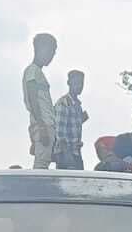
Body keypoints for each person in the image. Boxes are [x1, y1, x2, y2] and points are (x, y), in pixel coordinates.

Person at [23, 33, 58, 169]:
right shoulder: (32, 71)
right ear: (41, 48)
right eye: (51, 51)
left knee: (45, 160)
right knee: (41, 163)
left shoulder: (38, 72)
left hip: (47, 124)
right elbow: (33, 99)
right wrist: (42, 126)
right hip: (43, 124)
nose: (51, 57)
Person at [53, 70, 89, 171]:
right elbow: (60, 133)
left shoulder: (78, 105)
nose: (79, 86)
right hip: (66, 153)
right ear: (69, 83)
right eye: (76, 83)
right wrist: (67, 155)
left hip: (76, 151)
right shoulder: (64, 103)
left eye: (81, 83)